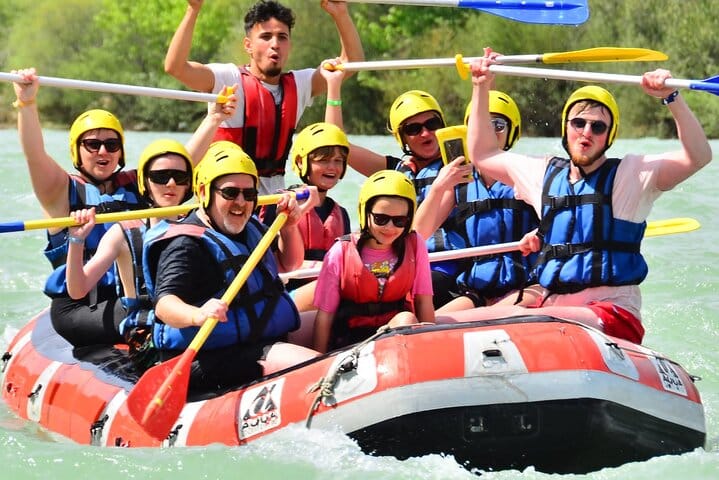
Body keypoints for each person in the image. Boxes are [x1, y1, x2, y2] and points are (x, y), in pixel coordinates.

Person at [447, 48, 712, 344]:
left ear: (609, 136)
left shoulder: (633, 174)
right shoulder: (543, 173)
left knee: (523, 318)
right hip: (553, 303)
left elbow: (698, 156)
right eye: (578, 123)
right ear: (566, 127)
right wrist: (481, 85)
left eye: (598, 127)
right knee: (454, 321)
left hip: (612, 312)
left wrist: (672, 98)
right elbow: (483, 154)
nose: (586, 132)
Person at [11, 66, 236, 347]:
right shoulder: (59, 191)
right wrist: (27, 103)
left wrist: (214, 119)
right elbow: (34, 154)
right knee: (160, 308)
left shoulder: (136, 184)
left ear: (121, 151)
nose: (103, 151)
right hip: (80, 304)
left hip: (129, 293)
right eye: (92, 144)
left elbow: (180, 163)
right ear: (77, 150)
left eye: (111, 144)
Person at [141, 141, 319, 391]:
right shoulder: (185, 245)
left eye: (249, 194)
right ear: (204, 192)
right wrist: (197, 315)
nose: (241, 202)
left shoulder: (251, 227)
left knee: (330, 317)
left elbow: (289, 263)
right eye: (230, 193)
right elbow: (164, 304)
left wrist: (289, 227)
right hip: (208, 356)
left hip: (253, 336)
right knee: (315, 367)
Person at [164, 0, 364, 195]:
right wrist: (193, 9)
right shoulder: (227, 78)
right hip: (227, 196)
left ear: (289, 45)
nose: (275, 44)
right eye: (266, 37)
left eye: (282, 37)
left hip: (273, 199)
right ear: (248, 45)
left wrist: (340, 14)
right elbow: (176, 67)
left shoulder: (300, 84)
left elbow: (351, 62)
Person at [343, 89, 472, 309]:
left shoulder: (457, 168)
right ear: (402, 138)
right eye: (413, 129)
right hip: (399, 262)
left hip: (442, 266)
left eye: (432, 124)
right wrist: (334, 88)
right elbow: (338, 145)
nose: (425, 133)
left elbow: (418, 233)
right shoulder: (396, 169)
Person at [415, 91, 540, 313]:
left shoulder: (527, 174)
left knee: (496, 313)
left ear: (512, 132)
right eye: (481, 125)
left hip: (527, 287)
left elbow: (558, 224)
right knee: (429, 322)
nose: (488, 132)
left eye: (498, 125)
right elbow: (418, 234)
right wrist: (438, 187)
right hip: (477, 291)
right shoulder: (459, 183)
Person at [312, 170, 435, 353]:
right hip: (351, 343)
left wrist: (431, 349)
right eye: (381, 219)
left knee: (406, 319)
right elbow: (325, 316)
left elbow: (424, 301)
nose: (389, 227)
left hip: (395, 337)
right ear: (365, 213)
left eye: (399, 221)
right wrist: (320, 360)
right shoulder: (340, 251)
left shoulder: (415, 245)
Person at [263, 57, 351, 312]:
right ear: (302, 163)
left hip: (327, 296)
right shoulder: (281, 204)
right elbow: (272, 264)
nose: (332, 167)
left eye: (338, 161)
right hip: (289, 297)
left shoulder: (341, 214)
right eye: (323, 161)